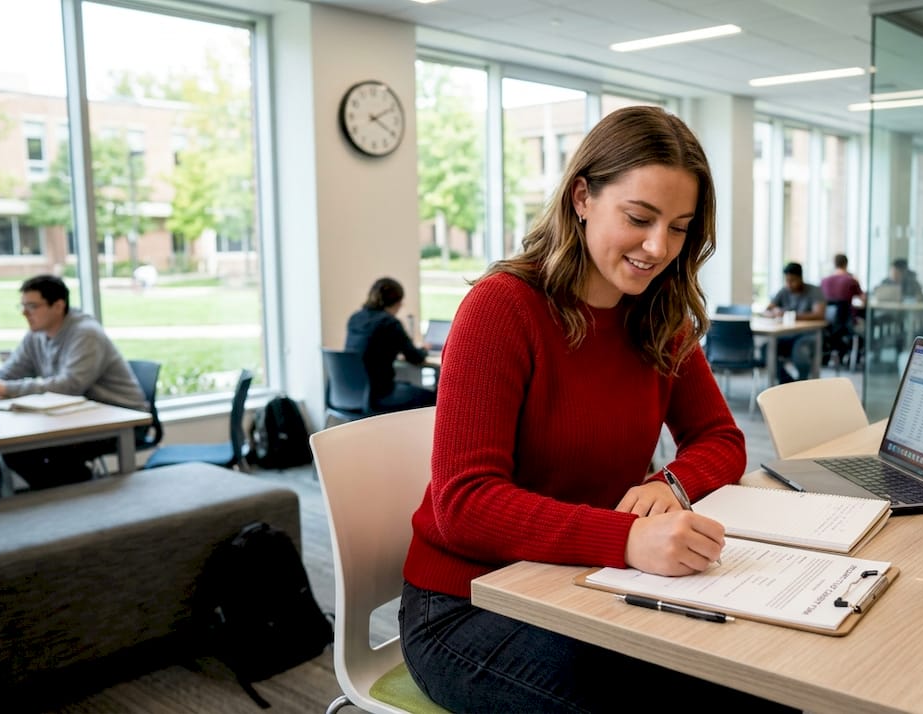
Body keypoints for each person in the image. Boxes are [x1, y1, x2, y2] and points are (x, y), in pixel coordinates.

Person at [399, 106, 791, 713]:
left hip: (587, 583)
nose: (659, 247)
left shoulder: (659, 316)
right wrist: (628, 537)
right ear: (582, 197)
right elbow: (463, 505)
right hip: (466, 603)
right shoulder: (501, 309)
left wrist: (674, 484)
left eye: (680, 227)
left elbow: (722, 439)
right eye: (639, 218)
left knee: (761, 686)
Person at [0, 274, 148, 490]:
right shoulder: (36, 335)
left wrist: (5, 388)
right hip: (74, 419)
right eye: (23, 306)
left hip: (119, 420)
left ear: (58, 306)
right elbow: (9, 373)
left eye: (32, 306)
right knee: (14, 451)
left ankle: (82, 497)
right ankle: (71, 498)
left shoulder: (86, 334)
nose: (25, 313)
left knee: (35, 451)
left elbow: (69, 386)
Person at [344, 277, 435, 413]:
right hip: (379, 395)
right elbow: (415, 357)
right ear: (397, 302)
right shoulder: (390, 324)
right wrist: (424, 349)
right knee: (433, 397)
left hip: (348, 393)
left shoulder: (355, 318)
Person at [763, 262, 826, 383]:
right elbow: (767, 310)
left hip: (808, 334)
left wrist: (790, 315)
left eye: (793, 280)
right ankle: (787, 383)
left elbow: (819, 314)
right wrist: (774, 312)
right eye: (787, 280)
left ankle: (802, 383)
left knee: (799, 351)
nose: (789, 284)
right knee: (766, 349)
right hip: (786, 334)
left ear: (800, 278)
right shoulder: (784, 290)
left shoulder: (814, 291)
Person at [820, 253, 864, 366]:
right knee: (865, 329)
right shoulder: (851, 280)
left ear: (834, 264)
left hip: (828, 324)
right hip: (847, 322)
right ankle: (855, 358)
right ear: (846, 264)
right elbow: (864, 300)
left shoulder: (824, 281)